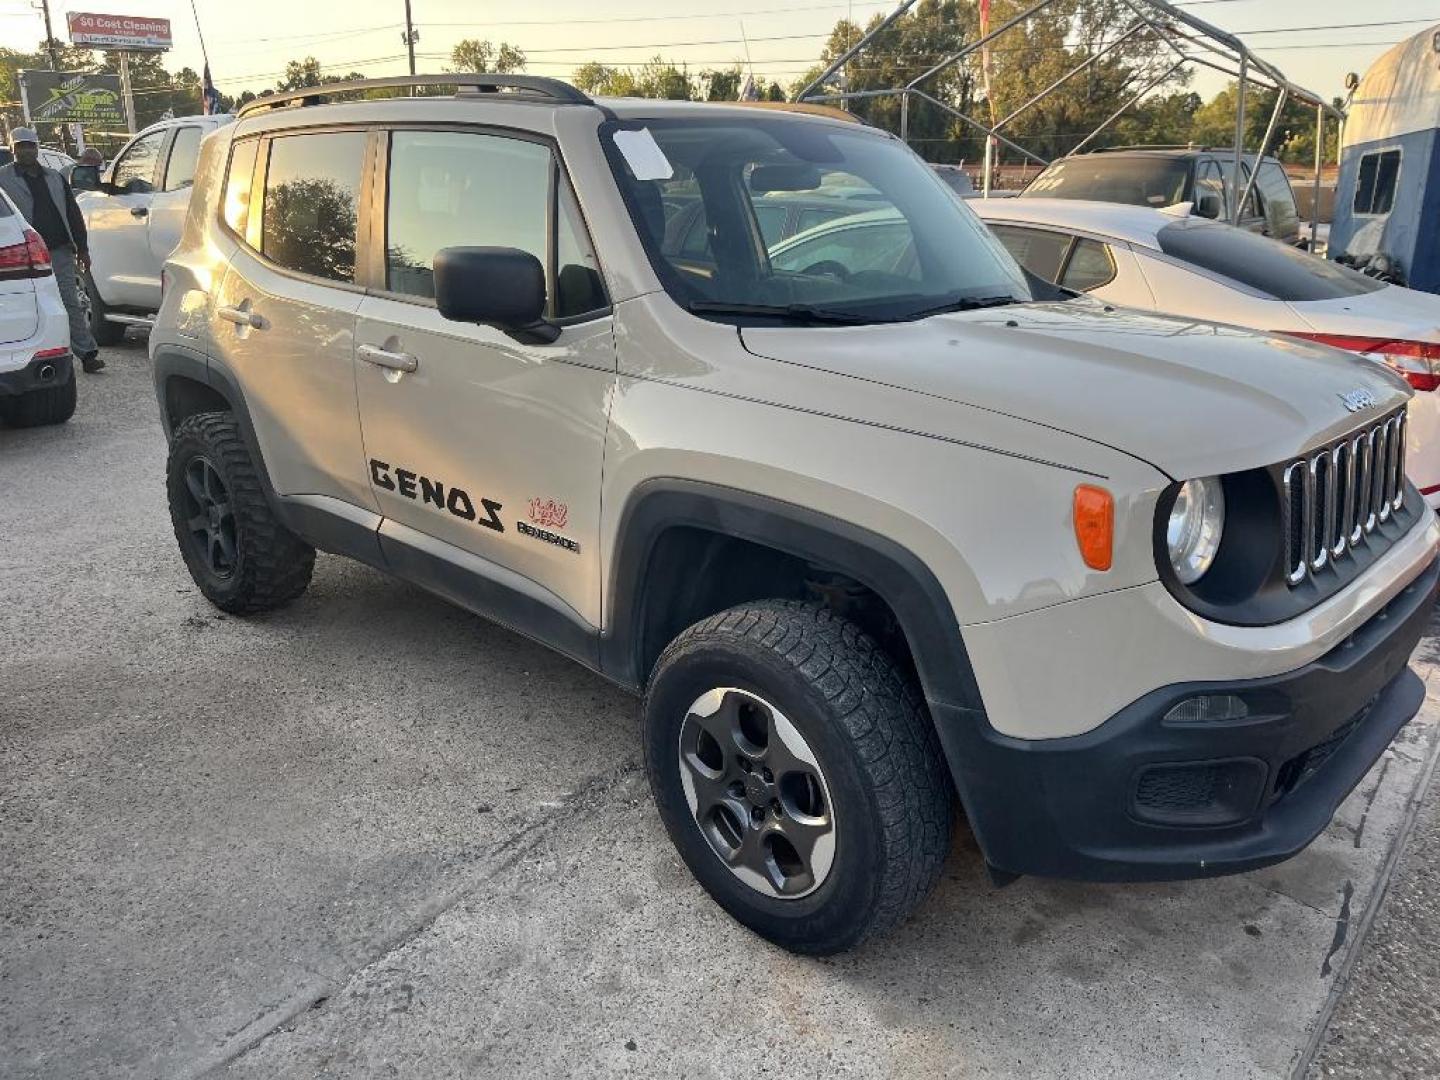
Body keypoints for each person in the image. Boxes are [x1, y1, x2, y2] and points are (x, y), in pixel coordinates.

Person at [0, 127, 102, 372]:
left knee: (70, 302)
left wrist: (83, 248)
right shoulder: (3, 178)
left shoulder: (54, 177)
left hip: (58, 251)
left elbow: (72, 213)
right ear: (13, 149)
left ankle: (87, 353)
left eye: (30, 146)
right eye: (20, 146)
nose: (25, 151)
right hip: (24, 258)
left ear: (36, 148)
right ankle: (32, 357)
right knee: (30, 307)